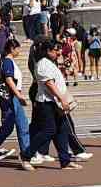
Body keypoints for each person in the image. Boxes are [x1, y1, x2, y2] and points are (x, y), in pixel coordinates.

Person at [26, 39, 80, 170]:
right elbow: (49, 84)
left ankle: (65, 161)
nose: (59, 52)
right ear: (47, 51)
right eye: (56, 49)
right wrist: (62, 98)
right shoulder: (43, 64)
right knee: (49, 130)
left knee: (62, 130)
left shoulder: (50, 63)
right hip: (47, 103)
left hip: (54, 102)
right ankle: (26, 155)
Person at [0, 36, 36, 170]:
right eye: (18, 48)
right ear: (12, 49)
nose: (19, 51)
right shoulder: (8, 62)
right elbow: (9, 80)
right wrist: (18, 95)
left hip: (9, 97)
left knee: (8, 127)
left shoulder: (7, 61)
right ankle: (26, 156)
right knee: (22, 126)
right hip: (12, 97)